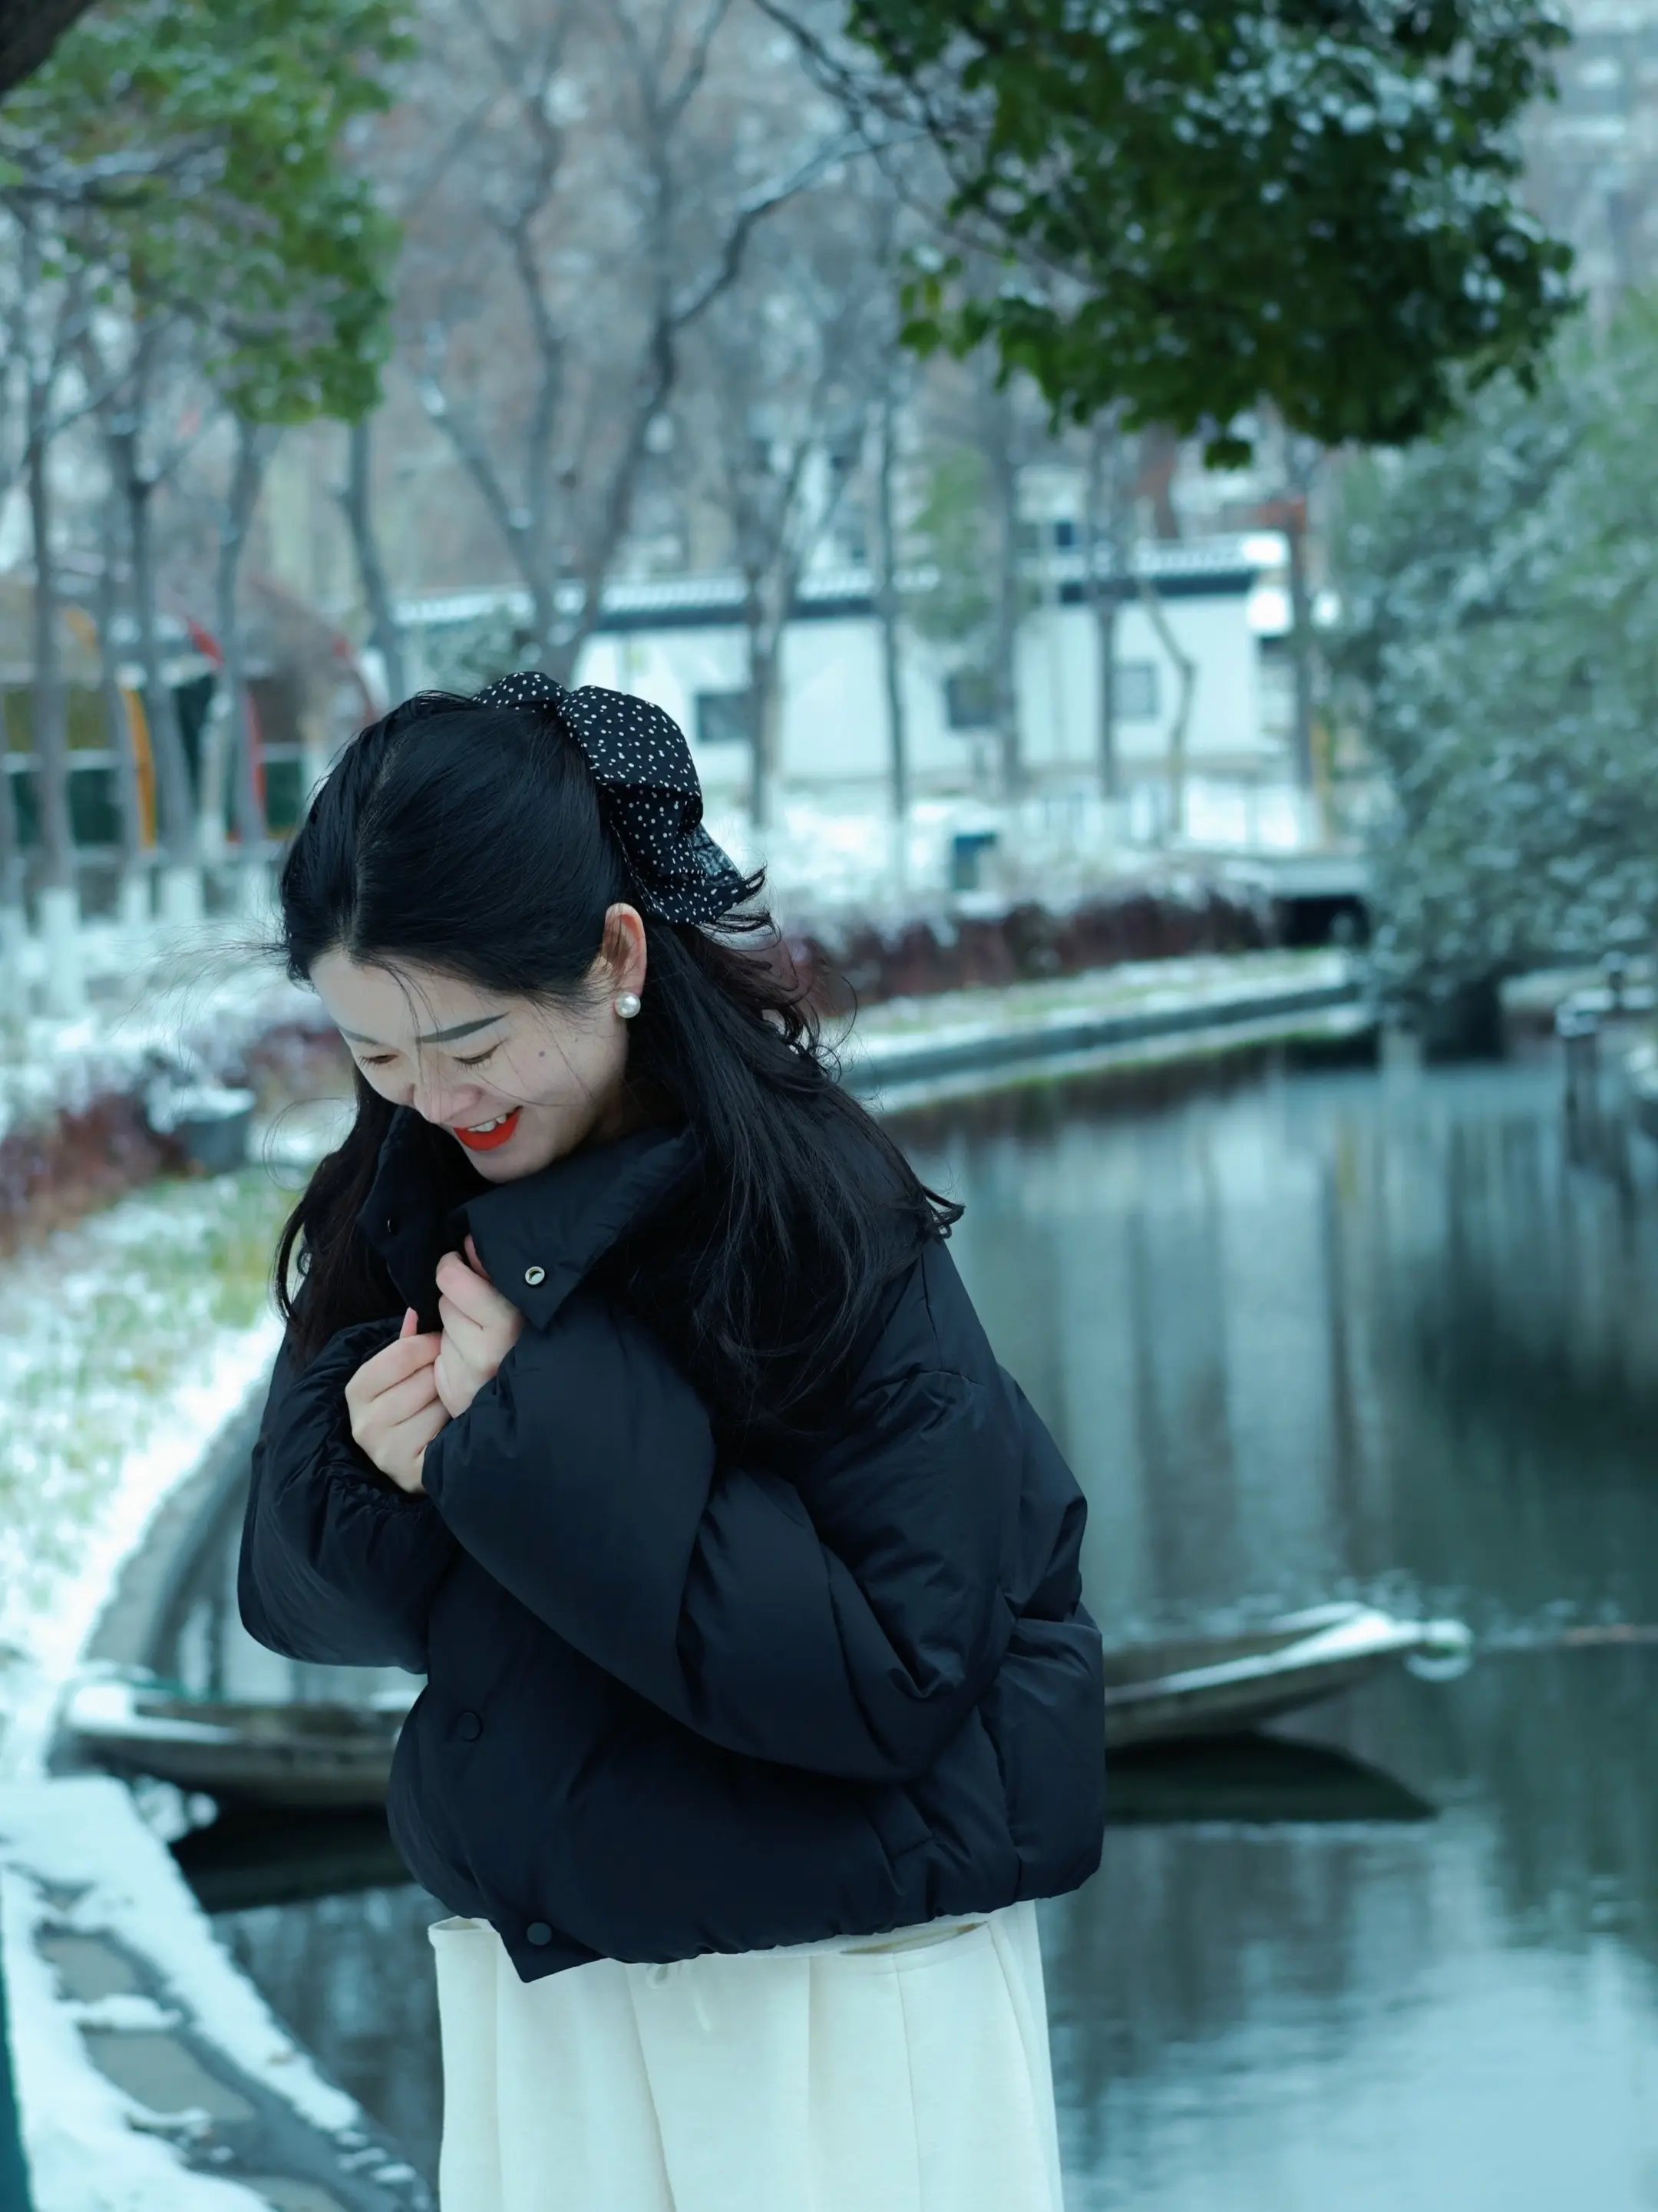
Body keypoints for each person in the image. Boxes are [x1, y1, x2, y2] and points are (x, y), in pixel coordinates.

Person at [238, 672, 1105, 2212]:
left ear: (618, 957)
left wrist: (536, 1429)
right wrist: (381, 1473)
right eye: (374, 1055)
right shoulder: (408, 1193)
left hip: (833, 2007)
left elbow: (902, 1669)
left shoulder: (819, 1216)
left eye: (471, 1039)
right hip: (560, 2001)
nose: (433, 1098)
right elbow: (297, 1603)